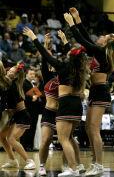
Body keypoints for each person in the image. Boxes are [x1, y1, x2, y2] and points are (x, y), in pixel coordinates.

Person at [64, 7, 114, 175]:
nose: (99, 37)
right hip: (96, 92)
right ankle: (95, 162)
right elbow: (87, 39)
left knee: (93, 129)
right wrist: (77, 18)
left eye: (103, 37)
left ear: (105, 43)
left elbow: (83, 41)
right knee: (89, 129)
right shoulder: (100, 52)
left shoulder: (101, 53)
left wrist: (72, 25)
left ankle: (99, 164)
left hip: (100, 92)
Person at [23, 26, 87, 177]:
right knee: (45, 141)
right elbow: (46, 58)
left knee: (67, 139)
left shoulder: (64, 71)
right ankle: (43, 166)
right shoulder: (49, 75)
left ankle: (73, 165)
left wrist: (36, 39)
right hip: (49, 111)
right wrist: (46, 45)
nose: (53, 62)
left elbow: (53, 56)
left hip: (62, 110)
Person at [0, 62, 36, 170]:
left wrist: (34, 97)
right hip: (14, 115)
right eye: (9, 70)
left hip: (23, 115)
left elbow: (37, 94)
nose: (8, 72)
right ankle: (12, 161)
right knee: (2, 137)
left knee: (11, 139)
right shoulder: (9, 83)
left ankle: (30, 161)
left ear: (16, 76)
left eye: (11, 71)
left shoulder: (20, 83)